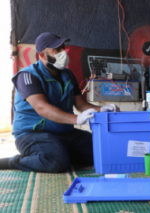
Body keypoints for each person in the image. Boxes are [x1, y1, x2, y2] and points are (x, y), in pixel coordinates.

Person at [0, 32, 119, 172]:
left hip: (64, 133)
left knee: (105, 150)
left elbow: (81, 104)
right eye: (56, 50)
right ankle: (14, 162)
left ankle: (61, 154)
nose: (63, 52)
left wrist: (102, 109)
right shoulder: (27, 76)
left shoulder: (67, 75)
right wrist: (77, 119)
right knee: (56, 162)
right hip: (32, 134)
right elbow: (42, 108)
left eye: (63, 48)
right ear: (43, 56)